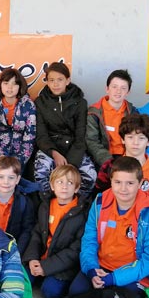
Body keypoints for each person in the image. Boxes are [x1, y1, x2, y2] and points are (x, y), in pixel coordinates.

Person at [70, 157, 149, 298]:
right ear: (111, 181)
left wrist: (113, 278)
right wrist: (92, 269)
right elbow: (89, 240)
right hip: (101, 266)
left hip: (132, 273)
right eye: (117, 182)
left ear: (140, 183)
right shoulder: (100, 202)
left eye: (130, 183)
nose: (123, 189)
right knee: (76, 292)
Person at [22, 165, 88, 298]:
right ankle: (40, 274)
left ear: (76, 188)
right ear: (52, 186)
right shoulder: (45, 205)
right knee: (21, 283)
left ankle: (50, 278)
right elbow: (37, 234)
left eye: (70, 183)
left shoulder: (82, 213)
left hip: (64, 266)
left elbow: (75, 250)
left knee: (49, 292)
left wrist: (46, 267)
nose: (64, 186)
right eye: (59, 182)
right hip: (41, 258)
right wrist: (32, 258)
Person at [34, 62, 97, 199]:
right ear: (47, 82)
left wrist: (71, 163)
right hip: (51, 148)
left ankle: (77, 204)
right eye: (51, 80)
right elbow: (41, 135)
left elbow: (81, 136)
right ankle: (49, 204)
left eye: (60, 79)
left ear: (67, 80)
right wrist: (54, 153)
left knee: (90, 176)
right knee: (40, 172)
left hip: (74, 147)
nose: (55, 84)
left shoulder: (80, 102)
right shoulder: (40, 102)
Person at [94, 114, 149, 205]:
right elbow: (98, 200)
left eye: (141, 138)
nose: (135, 143)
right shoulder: (109, 167)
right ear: (123, 139)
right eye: (130, 137)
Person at [0, 68, 37, 169]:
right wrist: (0, 156)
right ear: (1, 85)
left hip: (20, 156)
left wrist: (20, 159)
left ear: (20, 86)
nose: (10, 87)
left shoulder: (28, 105)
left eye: (14, 84)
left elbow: (30, 135)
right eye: (6, 83)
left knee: (16, 180)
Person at [85, 69, 138, 169]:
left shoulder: (133, 113)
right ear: (107, 89)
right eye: (114, 87)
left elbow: (137, 139)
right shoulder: (94, 112)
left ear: (128, 92)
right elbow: (92, 141)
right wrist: (109, 163)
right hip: (102, 158)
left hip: (127, 157)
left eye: (123, 88)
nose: (118, 91)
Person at [0, 156, 36, 255]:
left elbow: (27, 230)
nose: (6, 182)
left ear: (18, 179)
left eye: (11, 177)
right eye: (1, 177)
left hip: (11, 250)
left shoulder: (25, 202)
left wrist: (17, 252)